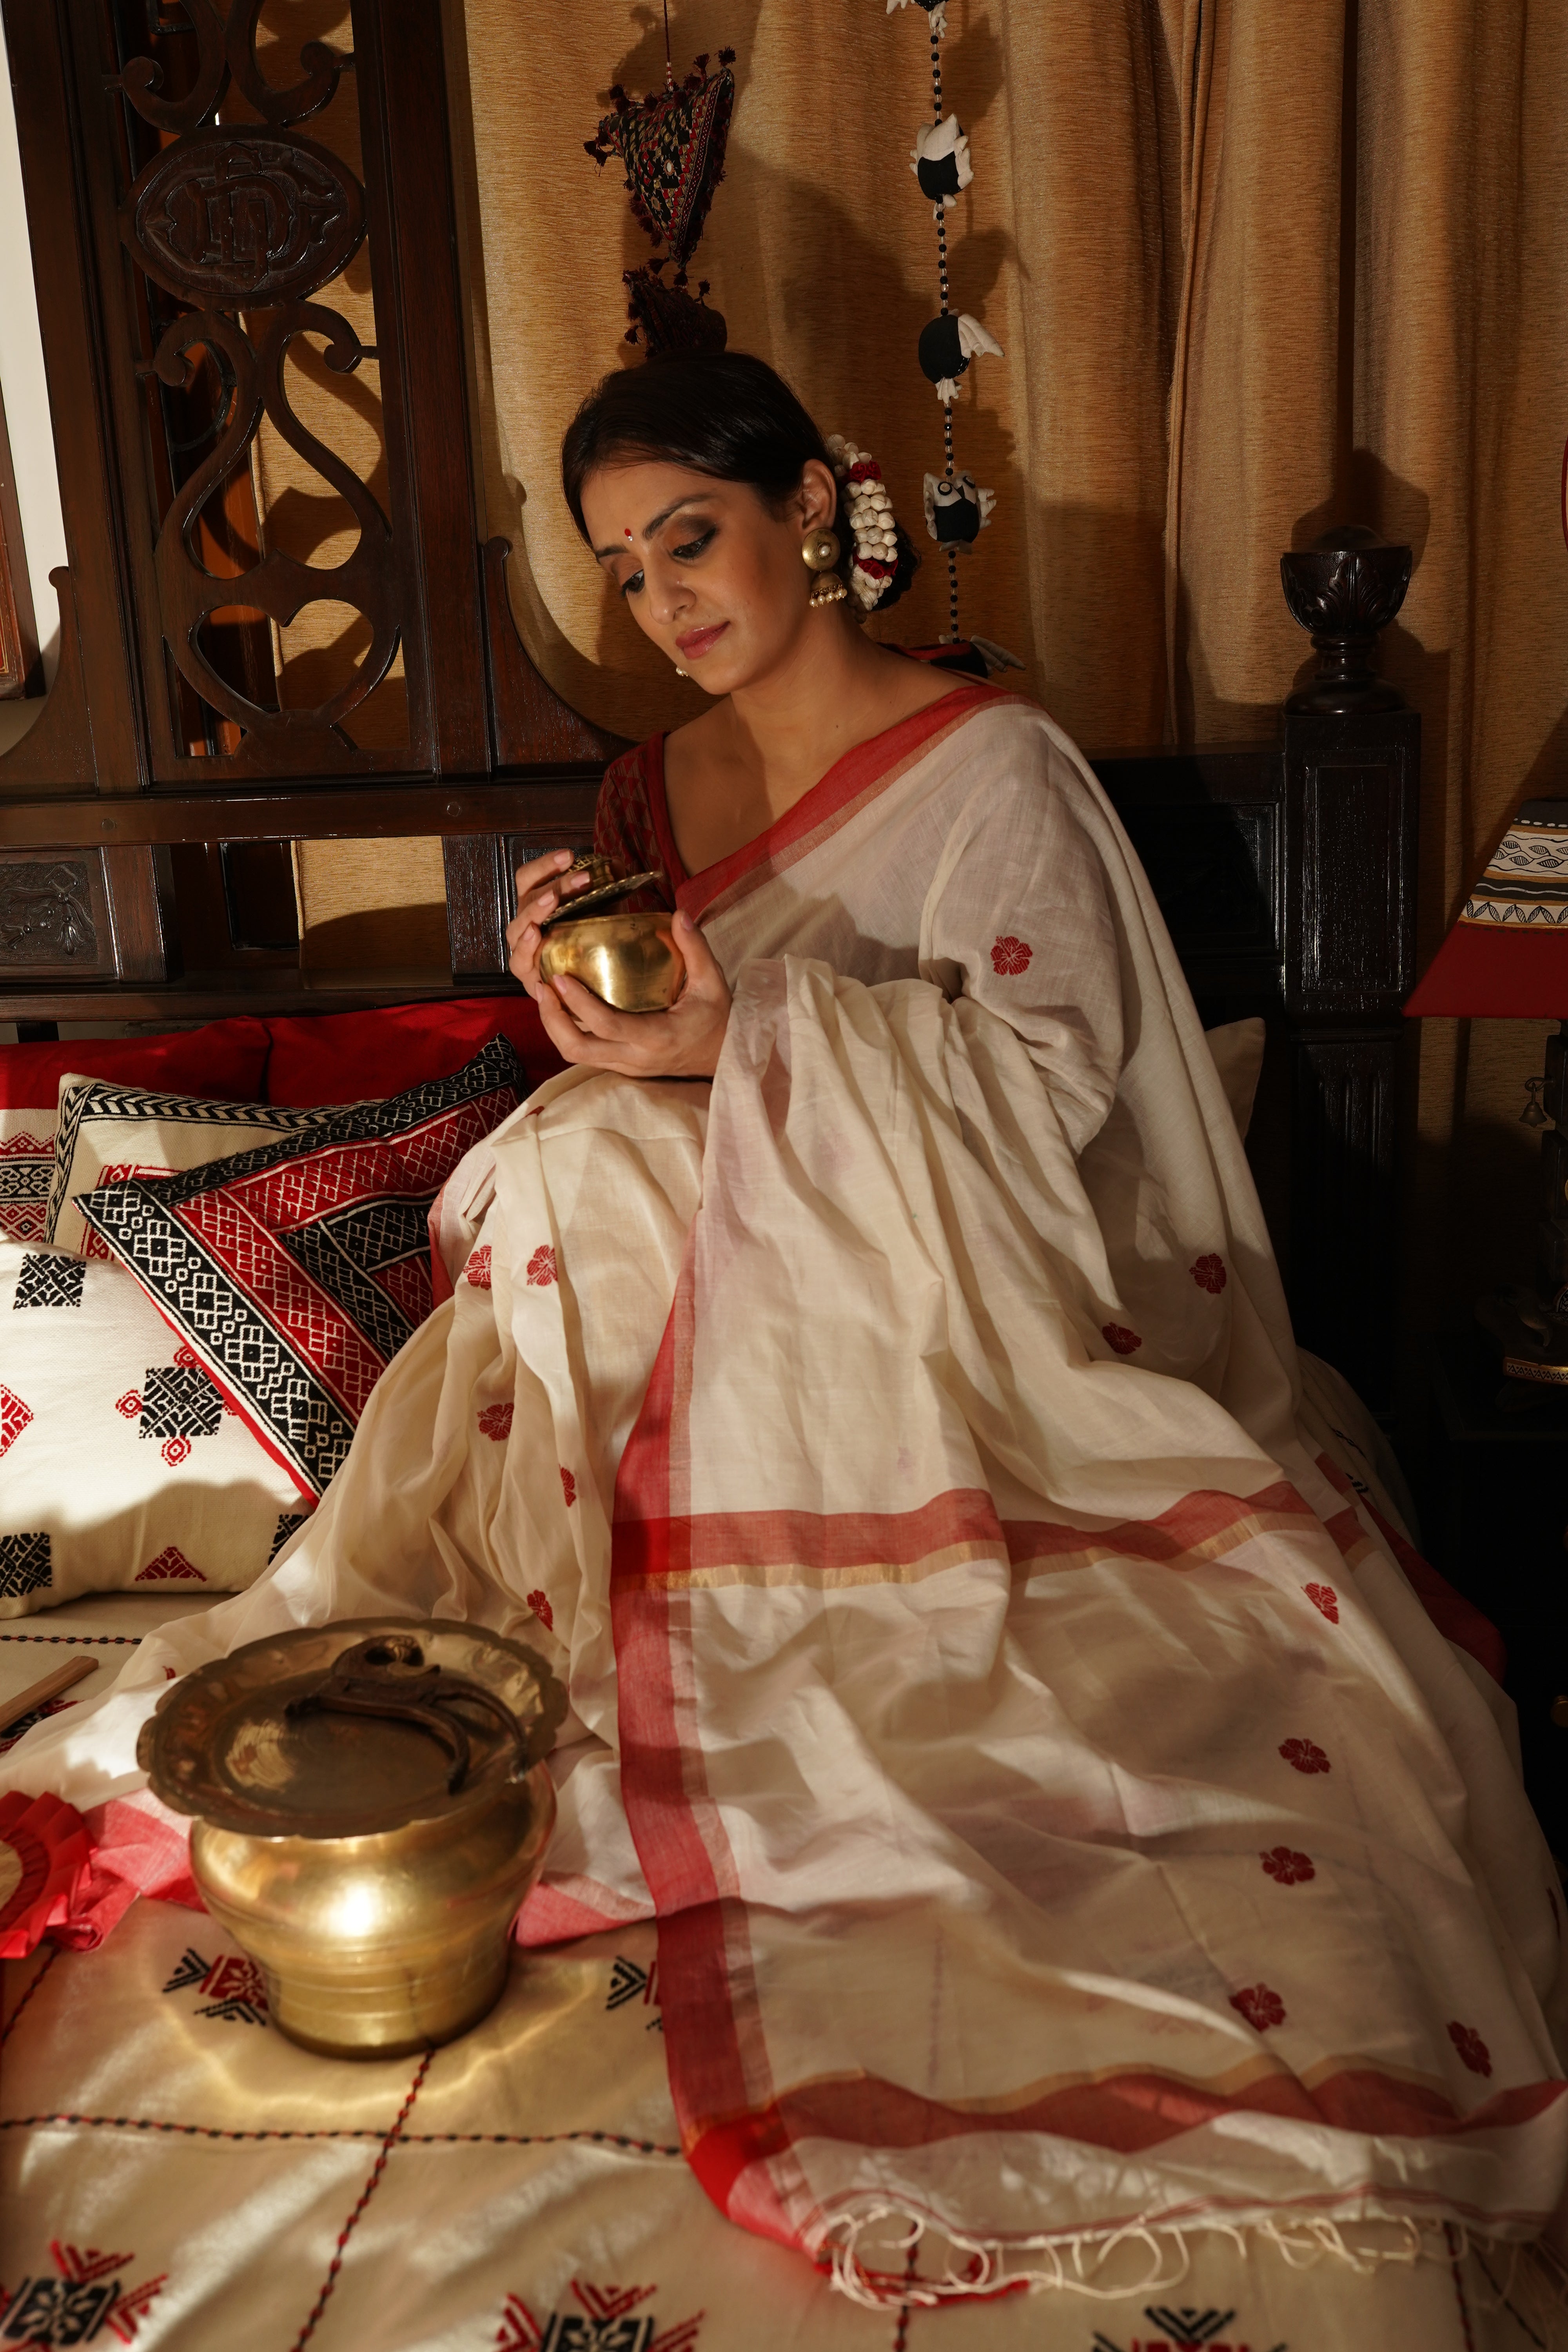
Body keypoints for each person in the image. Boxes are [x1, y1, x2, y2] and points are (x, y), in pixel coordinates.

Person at [7, 352, 1564, 2307]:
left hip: (955, 1312)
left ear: (812, 507)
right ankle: (613, 1609)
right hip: (680, 1279)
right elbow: (655, 1064)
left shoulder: (989, 767)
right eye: (624, 569)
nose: (666, 601)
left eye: (692, 538)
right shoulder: (652, 785)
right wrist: (601, 1019)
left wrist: (737, 1036)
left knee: (597, 1169)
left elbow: (1053, 1082)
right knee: (568, 1164)